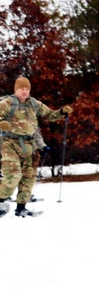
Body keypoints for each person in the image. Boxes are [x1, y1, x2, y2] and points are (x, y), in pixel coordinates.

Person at [0, 77, 71, 218]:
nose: (25, 91)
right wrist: (2, 122)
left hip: (29, 145)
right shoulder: (7, 103)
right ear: (16, 89)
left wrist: (62, 112)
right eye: (22, 89)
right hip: (10, 143)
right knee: (13, 175)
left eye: (27, 89)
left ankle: (21, 208)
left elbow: (50, 115)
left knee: (29, 177)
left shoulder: (34, 104)